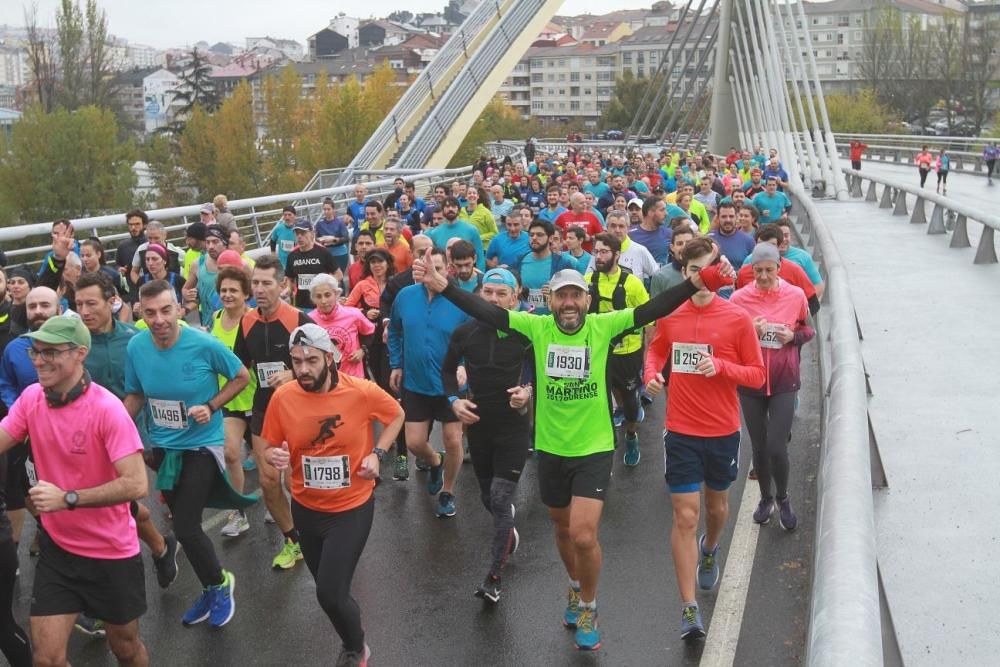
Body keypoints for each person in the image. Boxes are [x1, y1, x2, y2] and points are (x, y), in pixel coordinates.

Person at [415, 246, 734, 651]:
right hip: (550, 446)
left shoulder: (602, 326)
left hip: (595, 445)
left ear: (586, 299)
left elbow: (653, 309)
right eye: (560, 297)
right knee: (563, 530)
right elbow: (488, 314)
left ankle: (589, 604)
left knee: (584, 535)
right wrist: (444, 287)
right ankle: (573, 584)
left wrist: (696, 282)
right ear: (550, 302)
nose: (568, 304)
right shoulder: (536, 328)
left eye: (575, 296)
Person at [1, 315, 150, 666]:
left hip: (111, 552)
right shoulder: (32, 398)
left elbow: (136, 483)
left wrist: (68, 498)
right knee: (47, 659)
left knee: (126, 649)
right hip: (59, 552)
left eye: (50, 352)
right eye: (35, 352)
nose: (39, 360)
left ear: (80, 353)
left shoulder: (107, 410)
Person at [643, 237, 765, 641]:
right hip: (680, 430)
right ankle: (689, 607)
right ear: (685, 273)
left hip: (723, 431)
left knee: (716, 509)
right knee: (685, 515)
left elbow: (757, 375)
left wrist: (723, 367)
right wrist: (651, 375)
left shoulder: (737, 318)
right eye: (692, 270)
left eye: (706, 267)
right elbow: (655, 351)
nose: (699, 276)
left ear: (719, 270)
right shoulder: (672, 316)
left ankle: (710, 548)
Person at [263, 323, 403, 667]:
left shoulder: (361, 391)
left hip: (351, 509)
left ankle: (356, 648)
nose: (303, 369)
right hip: (306, 508)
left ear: (329, 358)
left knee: (329, 591)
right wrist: (274, 456)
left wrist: (379, 454)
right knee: (329, 595)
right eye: (296, 361)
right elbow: (270, 445)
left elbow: (396, 414)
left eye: (311, 360)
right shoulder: (283, 397)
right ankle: (351, 637)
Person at [125, 280, 253, 628]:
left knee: (185, 524)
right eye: (150, 313)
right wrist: (115, 426)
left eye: (166, 310)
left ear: (179, 309)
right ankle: (211, 585)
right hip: (165, 448)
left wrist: (211, 406)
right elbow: (136, 395)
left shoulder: (203, 343)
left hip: (202, 445)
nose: (159, 319)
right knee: (184, 526)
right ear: (140, 312)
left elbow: (241, 376)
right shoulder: (136, 347)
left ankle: (219, 584)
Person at [75, 271, 181, 588]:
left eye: (91, 303)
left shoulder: (136, 339)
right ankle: (158, 550)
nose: (84, 311)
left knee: (160, 490)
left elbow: (151, 384)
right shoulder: (74, 344)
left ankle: (170, 540)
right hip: (91, 440)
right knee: (110, 503)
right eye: (78, 304)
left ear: (112, 302)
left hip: (140, 431)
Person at [441, 268, 531, 603]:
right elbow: (448, 370)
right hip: (478, 425)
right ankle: (508, 533)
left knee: (499, 497)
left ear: (515, 297)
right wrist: (454, 401)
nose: (493, 299)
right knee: (485, 498)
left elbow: (538, 370)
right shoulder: (465, 332)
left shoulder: (525, 331)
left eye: (501, 293)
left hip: (513, 427)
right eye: (487, 292)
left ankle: (493, 578)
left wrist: (528, 391)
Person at [233, 255, 312, 569]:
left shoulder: (299, 320)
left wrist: (294, 374)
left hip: (300, 408)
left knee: (297, 483)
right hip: (265, 408)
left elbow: (329, 359)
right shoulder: (247, 321)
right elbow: (239, 367)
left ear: (283, 285)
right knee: (268, 481)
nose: (260, 289)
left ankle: (319, 532)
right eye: (255, 282)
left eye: (267, 283)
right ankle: (293, 540)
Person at [730, 244, 815, 530]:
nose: (764, 276)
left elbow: (808, 330)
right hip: (751, 380)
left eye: (769, 270)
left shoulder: (795, 295)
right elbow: (729, 337)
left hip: (784, 379)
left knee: (777, 446)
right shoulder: (739, 298)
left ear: (779, 268)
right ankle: (765, 498)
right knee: (759, 447)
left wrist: (792, 336)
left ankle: (783, 497)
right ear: (751, 271)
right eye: (758, 271)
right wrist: (749, 332)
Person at [388, 248, 470, 517]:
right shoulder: (405, 297)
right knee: (414, 443)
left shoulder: (460, 301)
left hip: (449, 385)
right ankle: (436, 461)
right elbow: (396, 331)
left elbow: (474, 339)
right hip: (416, 382)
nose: (430, 272)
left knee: (453, 439)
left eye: (436, 267)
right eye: (425, 267)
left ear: (447, 269)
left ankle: (447, 491)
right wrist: (396, 364)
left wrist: (464, 367)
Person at [585, 233, 649, 465]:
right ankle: (604, 447)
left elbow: (649, 319)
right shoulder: (589, 279)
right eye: (596, 252)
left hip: (627, 353)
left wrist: (648, 353)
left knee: (630, 404)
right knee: (598, 400)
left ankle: (631, 435)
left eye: (604, 252)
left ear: (617, 254)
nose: (599, 256)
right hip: (598, 352)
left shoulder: (632, 283)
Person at [209, 266, 259, 539]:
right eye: (223, 290)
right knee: (230, 453)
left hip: (258, 400)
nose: (227, 295)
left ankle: (280, 501)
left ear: (246, 294)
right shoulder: (215, 318)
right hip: (229, 400)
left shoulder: (254, 320)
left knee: (269, 464)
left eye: (233, 291)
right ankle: (238, 513)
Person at [307, 274, 374, 381]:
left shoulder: (353, 314)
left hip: (353, 378)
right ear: (313, 299)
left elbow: (370, 333)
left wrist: (362, 350)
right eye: (318, 296)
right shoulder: (308, 321)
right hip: (325, 381)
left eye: (327, 295)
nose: (323, 301)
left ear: (337, 294)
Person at [518, 220, 577, 315]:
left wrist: (556, 292)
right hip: (525, 321)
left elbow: (573, 293)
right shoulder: (520, 260)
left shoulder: (563, 264)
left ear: (550, 238)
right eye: (531, 234)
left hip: (553, 320)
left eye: (539, 235)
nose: (534, 238)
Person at [285, 220, 339, 311]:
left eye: (303, 233)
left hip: (321, 304)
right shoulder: (292, 255)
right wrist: (287, 290)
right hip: (301, 304)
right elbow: (290, 278)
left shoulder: (322, 252)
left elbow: (338, 274)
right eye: (297, 234)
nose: (299, 237)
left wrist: (326, 287)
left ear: (312, 233)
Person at [183, 226, 228, 327]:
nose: (211, 246)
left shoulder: (239, 263)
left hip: (234, 325)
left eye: (215, 242)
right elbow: (185, 289)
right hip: (208, 325)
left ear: (225, 243)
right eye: (208, 242)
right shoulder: (197, 264)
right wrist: (188, 294)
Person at [425, 197, 486, 271]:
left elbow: (480, 257)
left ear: (458, 209)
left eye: (453, 206)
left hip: (466, 274)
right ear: (443, 210)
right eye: (447, 206)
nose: (450, 209)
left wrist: (481, 277)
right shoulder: (434, 233)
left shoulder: (471, 230)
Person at [649, 221, 696, 298]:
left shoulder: (703, 271)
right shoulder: (660, 276)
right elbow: (655, 308)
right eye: (680, 243)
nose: (684, 247)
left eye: (689, 243)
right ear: (672, 247)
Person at [708, 202, 756, 270]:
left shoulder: (749, 241)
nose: (728, 220)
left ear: (736, 217)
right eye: (724, 216)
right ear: (718, 218)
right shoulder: (709, 239)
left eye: (731, 216)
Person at [629, 197, 673, 265]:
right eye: (662, 210)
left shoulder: (669, 233)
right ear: (650, 213)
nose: (666, 213)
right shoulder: (631, 235)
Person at [486, 206, 531, 271]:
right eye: (509, 225)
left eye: (516, 225)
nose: (512, 228)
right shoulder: (497, 239)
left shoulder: (530, 238)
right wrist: (497, 267)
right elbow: (488, 259)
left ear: (522, 224)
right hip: (506, 278)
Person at [315, 198, 352, 274]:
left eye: (328, 209)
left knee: (338, 277)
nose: (326, 212)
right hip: (326, 254)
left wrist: (334, 240)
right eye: (324, 209)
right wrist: (321, 240)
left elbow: (346, 238)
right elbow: (316, 239)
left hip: (340, 254)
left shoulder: (340, 223)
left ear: (333, 210)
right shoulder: (320, 224)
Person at [116, 211, 148, 275]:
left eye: (137, 224)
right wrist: (119, 269)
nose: (133, 228)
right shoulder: (123, 246)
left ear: (144, 225)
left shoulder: (152, 243)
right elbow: (117, 265)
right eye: (131, 224)